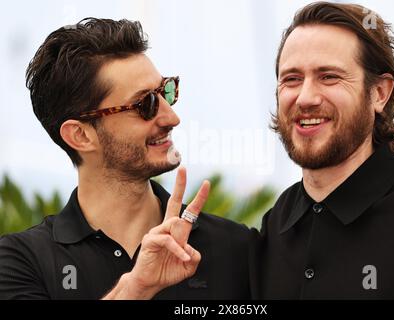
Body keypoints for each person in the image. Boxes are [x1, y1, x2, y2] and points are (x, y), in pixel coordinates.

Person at [0, 18, 250, 299]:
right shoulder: (22, 261)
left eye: (166, 91)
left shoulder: (235, 246)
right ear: (80, 136)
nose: (172, 117)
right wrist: (137, 288)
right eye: (146, 104)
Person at [250, 2, 394, 299]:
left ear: (379, 93)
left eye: (329, 76)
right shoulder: (276, 223)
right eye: (291, 79)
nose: (306, 98)